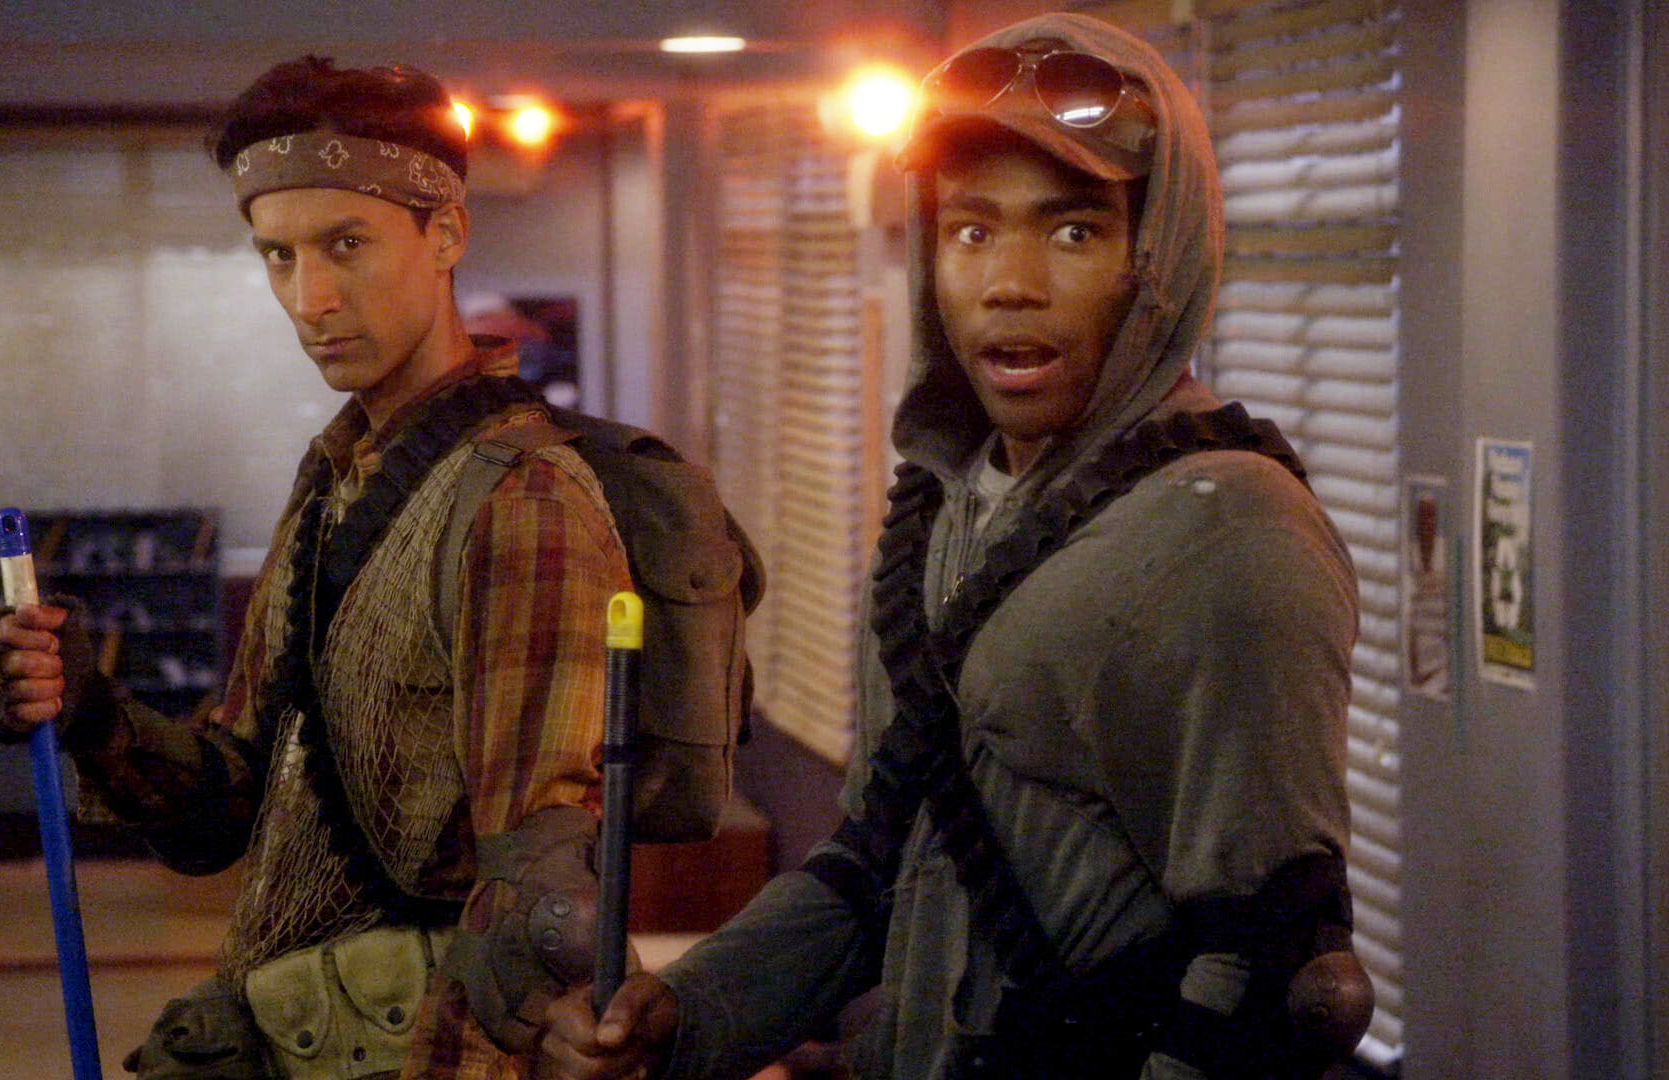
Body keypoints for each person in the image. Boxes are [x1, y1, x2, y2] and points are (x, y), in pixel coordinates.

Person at [536, 12, 1370, 1080]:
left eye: (1074, 233)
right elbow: (875, 860)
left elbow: (1279, 976)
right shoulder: (953, 504)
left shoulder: (1228, 531)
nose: (1010, 281)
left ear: (1156, 260)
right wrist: (688, 1015)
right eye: (972, 231)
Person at [0, 56, 633, 1080]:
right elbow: (229, 804)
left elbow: (537, 901)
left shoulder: (522, 503)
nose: (309, 297)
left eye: (346, 244)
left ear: (447, 233)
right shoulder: (333, 478)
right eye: (278, 256)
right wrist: (87, 709)